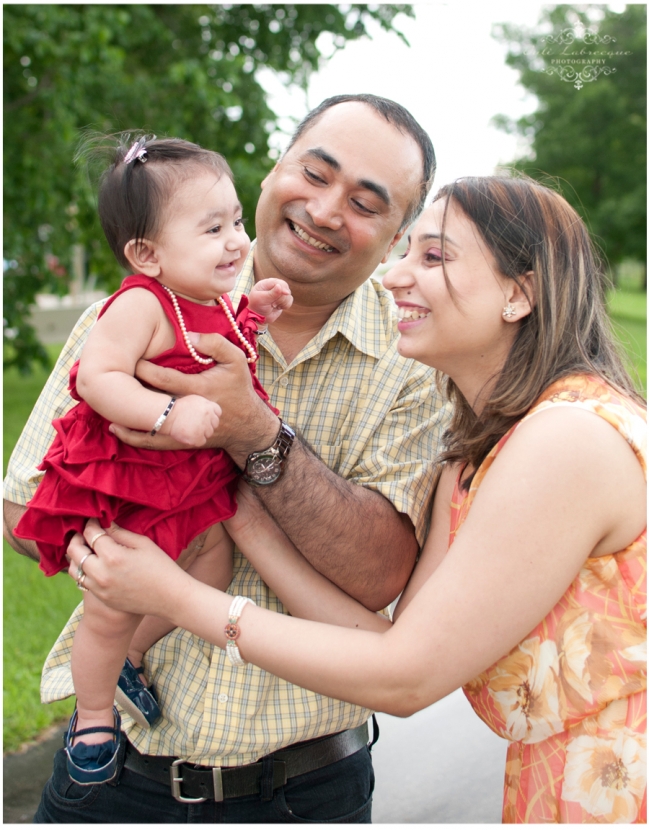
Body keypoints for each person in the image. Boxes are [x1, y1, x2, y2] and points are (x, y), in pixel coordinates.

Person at [68, 175, 646, 824]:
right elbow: (385, 642)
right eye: (405, 252)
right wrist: (240, 501)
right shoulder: (474, 455)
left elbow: (404, 678)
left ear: (518, 294)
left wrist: (173, 597)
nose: (394, 276)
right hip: (555, 793)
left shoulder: (566, 438)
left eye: (433, 256)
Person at [3, 94, 451, 822]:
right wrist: (133, 533)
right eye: (315, 172)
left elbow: (379, 575)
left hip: (305, 790)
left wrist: (252, 438)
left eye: (368, 203)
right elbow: (24, 511)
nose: (327, 209)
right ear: (274, 170)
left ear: (398, 233)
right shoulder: (135, 311)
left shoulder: (417, 364)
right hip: (116, 778)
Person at [13, 134, 293, 785]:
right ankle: (93, 714)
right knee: (109, 610)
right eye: (211, 228)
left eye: (235, 221)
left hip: (186, 490)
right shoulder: (139, 304)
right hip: (126, 488)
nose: (236, 241)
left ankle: (134, 658)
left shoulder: (213, 299)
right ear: (147, 254)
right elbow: (98, 379)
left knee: (213, 567)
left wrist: (253, 314)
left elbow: (221, 345)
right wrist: (166, 414)